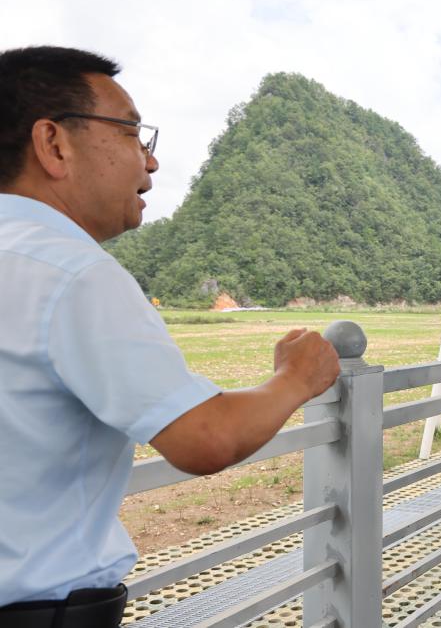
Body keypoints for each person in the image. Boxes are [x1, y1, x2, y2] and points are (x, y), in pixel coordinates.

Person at [0, 46, 341, 625]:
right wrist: (296, 378)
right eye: (131, 133)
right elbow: (205, 437)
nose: (151, 162)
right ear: (54, 143)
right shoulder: (72, 273)